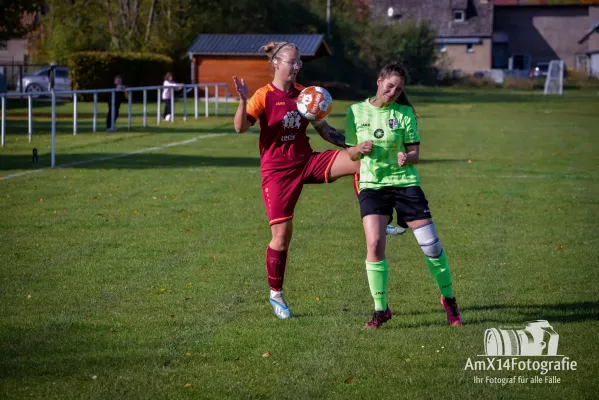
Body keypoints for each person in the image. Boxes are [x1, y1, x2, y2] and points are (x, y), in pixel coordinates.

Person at [232, 41, 365, 319]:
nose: (296, 67)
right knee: (281, 238)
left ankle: (374, 218)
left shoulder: (306, 94)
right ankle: (276, 295)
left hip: (307, 162)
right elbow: (240, 127)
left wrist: (353, 145)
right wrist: (243, 100)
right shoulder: (263, 96)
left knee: (360, 162)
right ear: (277, 64)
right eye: (292, 62)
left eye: (299, 63)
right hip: (277, 173)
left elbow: (326, 131)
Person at [345, 62, 463, 329]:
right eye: (390, 86)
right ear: (379, 82)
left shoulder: (405, 113)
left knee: (431, 247)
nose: (393, 92)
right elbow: (349, 152)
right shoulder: (355, 111)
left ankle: (449, 300)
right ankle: (380, 310)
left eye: (398, 90)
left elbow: (415, 155)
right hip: (373, 184)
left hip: (405, 183)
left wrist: (406, 157)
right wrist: (359, 148)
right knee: (374, 244)